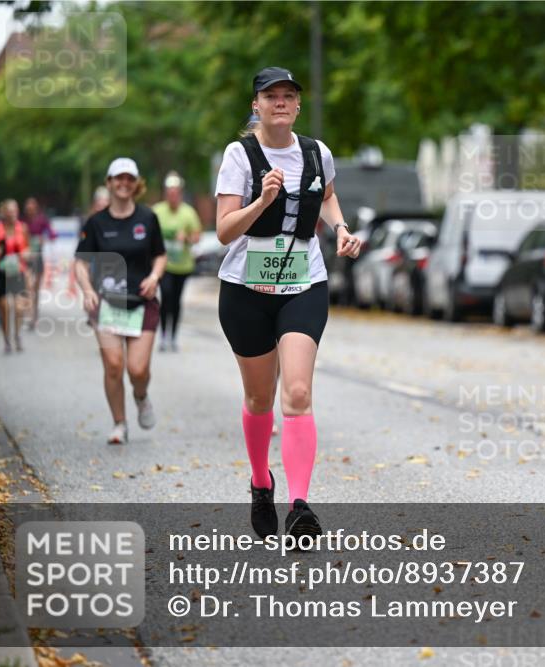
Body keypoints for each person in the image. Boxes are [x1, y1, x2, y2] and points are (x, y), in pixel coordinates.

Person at [215, 66, 361, 540]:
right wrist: (261, 201)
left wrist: (340, 228)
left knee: (297, 394)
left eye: (288, 95)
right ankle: (262, 481)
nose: (280, 102)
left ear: (298, 105)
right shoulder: (240, 155)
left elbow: (328, 196)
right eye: (270, 95)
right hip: (246, 292)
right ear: (255, 105)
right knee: (260, 398)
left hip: (303, 284)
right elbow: (224, 231)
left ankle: (300, 506)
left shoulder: (317, 152)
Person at [74, 158, 167, 445]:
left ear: (136, 183)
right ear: (109, 182)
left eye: (129, 178)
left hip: (141, 302)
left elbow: (160, 255)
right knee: (113, 366)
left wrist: (154, 276)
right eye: (119, 178)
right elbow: (80, 262)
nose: (124, 183)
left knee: (137, 370)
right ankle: (119, 423)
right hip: (107, 304)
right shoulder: (96, 223)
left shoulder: (148, 218)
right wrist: (87, 290)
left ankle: (141, 395)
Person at [152, 172, 202, 352]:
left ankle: (173, 336)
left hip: (183, 265)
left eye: (175, 192)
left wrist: (186, 238)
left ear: (180, 193)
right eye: (169, 192)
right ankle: (164, 335)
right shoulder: (157, 211)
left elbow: (197, 237)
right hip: (163, 264)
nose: (172, 195)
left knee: (176, 300)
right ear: (166, 193)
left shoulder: (188, 212)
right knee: (165, 296)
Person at [0, 200, 31, 352]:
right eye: (9, 211)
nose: (12, 214)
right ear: (3, 213)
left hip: (17, 270)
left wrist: (26, 254)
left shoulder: (22, 228)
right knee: (4, 306)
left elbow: (28, 248)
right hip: (0, 271)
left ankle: (17, 335)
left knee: (19, 307)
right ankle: (6, 339)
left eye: (14, 211)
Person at [23, 197, 57, 328]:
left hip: (37, 258)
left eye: (32, 208)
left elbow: (53, 234)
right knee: (28, 287)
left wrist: (44, 238)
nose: (30, 211)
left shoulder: (42, 219)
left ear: (36, 208)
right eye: (28, 209)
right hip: (25, 258)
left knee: (35, 288)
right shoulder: (22, 220)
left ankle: (34, 314)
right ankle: (29, 312)